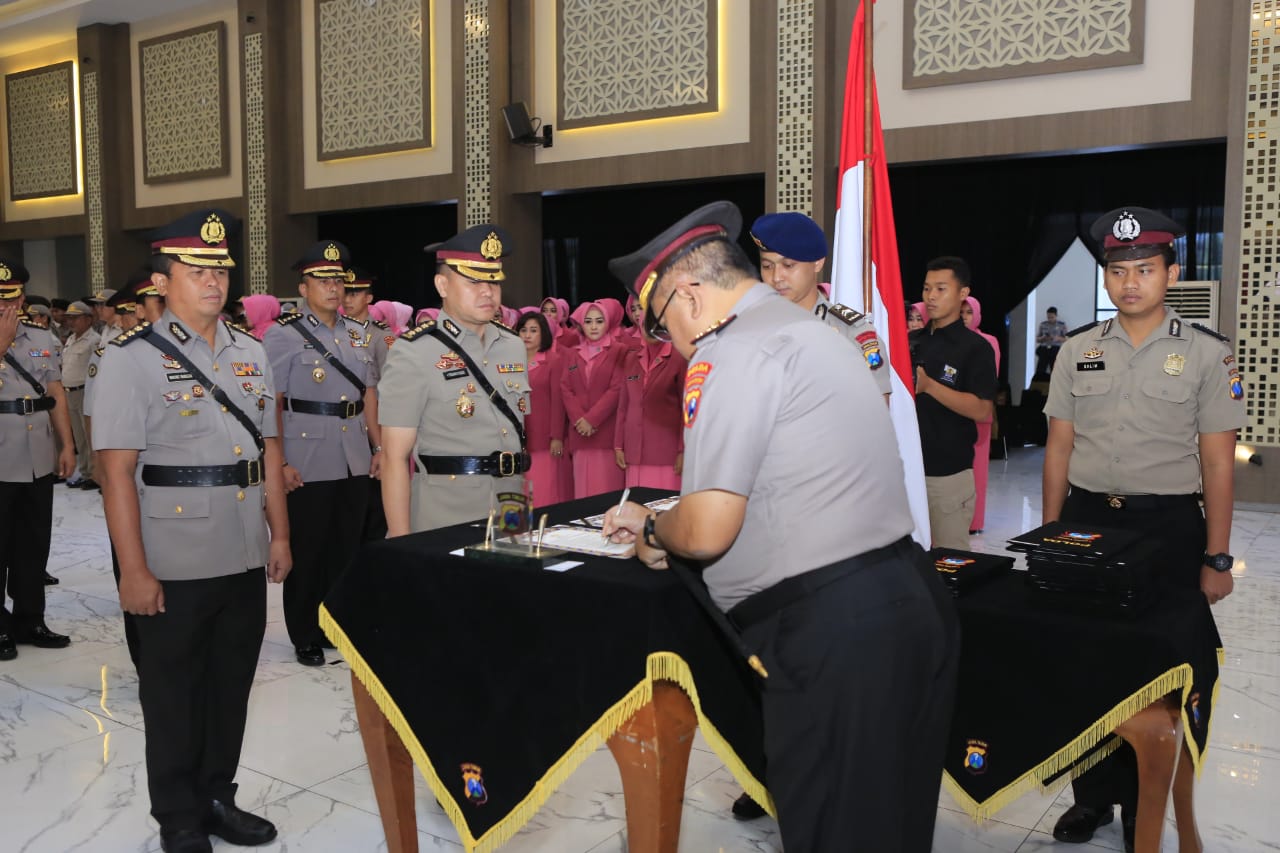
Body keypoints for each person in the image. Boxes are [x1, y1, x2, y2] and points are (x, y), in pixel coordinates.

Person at [601, 201, 957, 853]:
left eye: (662, 325)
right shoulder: (813, 331)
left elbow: (708, 527)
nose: (672, 344)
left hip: (835, 636)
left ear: (688, 292)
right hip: (907, 601)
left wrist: (654, 533)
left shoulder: (729, 351)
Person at [1044, 207, 1244, 851]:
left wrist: (1216, 557)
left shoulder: (1208, 354)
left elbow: (1218, 461)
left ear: (1171, 273)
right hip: (1090, 522)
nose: (1130, 282)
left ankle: (1144, 805)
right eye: (1118, 271)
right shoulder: (1079, 348)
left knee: (1158, 668)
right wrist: (1051, 537)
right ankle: (1094, 800)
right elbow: (1057, 450)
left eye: (1145, 270)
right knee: (1084, 659)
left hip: (1167, 529)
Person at [94, 209, 289, 853]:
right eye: (197, 268)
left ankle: (216, 797)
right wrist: (134, 571)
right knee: (173, 694)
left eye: (220, 267)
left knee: (230, 685)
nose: (213, 279)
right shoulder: (131, 359)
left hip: (240, 548)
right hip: (172, 555)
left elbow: (266, 450)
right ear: (162, 278)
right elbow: (116, 473)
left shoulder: (251, 352)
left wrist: (279, 535)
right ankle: (178, 816)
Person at [263, 241, 380, 667]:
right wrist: (279, 463)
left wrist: (379, 446)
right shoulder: (283, 335)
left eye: (338, 280)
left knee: (345, 549)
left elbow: (368, 395)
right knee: (309, 548)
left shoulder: (357, 334)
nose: (332, 288)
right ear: (303, 286)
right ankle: (304, 632)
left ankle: (334, 627)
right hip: (306, 455)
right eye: (322, 280)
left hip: (353, 452)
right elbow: (271, 403)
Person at [378, 224, 530, 534]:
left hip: (511, 503)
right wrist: (400, 540)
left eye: (493, 281)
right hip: (445, 512)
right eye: (473, 281)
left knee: (512, 580)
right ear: (442, 286)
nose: (487, 291)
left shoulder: (513, 346)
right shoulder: (413, 352)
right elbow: (394, 457)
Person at [0, 258, 76, 662]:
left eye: (8, 301)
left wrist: (67, 445)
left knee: (33, 543)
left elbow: (55, 393)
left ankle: (31, 619)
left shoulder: (41, 337)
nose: (2, 309)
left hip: (36, 456)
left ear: (22, 299)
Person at [750, 212, 892, 399]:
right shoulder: (750, 328)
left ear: (817, 263)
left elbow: (874, 418)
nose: (776, 277)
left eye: (789, 265)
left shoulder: (852, 335)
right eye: (767, 266)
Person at [909, 256, 998, 550]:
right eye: (926, 288)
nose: (931, 296)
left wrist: (930, 386)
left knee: (951, 565)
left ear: (962, 294)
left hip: (947, 474)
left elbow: (983, 410)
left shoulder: (975, 348)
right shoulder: (910, 341)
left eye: (941, 289)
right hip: (906, 470)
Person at [562, 300, 627, 497]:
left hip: (606, 432)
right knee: (582, 494)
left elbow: (618, 388)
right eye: (588, 321)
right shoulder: (573, 353)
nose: (593, 326)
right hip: (580, 433)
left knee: (607, 495)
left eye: (599, 321)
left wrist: (591, 419)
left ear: (607, 323)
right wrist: (579, 420)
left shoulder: (619, 350)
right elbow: (565, 387)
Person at [613, 321, 686, 491]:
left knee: (662, 509)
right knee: (634, 509)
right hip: (634, 451)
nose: (651, 330)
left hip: (666, 453)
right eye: (646, 325)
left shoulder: (679, 358)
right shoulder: (632, 358)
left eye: (656, 325)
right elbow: (623, 406)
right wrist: (618, 445)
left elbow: (687, 410)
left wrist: (683, 450)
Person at [517, 310, 570, 506]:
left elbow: (558, 401)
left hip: (543, 438)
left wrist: (556, 436)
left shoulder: (553, 361)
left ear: (544, 334)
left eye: (533, 330)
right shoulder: (511, 362)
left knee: (543, 490)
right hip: (518, 437)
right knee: (519, 492)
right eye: (523, 330)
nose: (527, 335)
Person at [962, 296, 1001, 534]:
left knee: (977, 470)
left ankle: (974, 521)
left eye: (969, 312)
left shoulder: (988, 341)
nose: (964, 316)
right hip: (953, 411)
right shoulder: (952, 339)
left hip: (978, 411)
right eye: (961, 311)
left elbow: (989, 376)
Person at [61, 301, 97, 489]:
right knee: (78, 436)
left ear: (88, 319)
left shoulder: (94, 340)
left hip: (85, 391)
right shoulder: (70, 339)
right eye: (69, 318)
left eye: (75, 318)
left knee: (88, 434)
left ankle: (93, 473)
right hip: (69, 392)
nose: (71, 321)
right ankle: (84, 472)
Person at [1035, 305, 1068, 376]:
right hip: (1044, 349)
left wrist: (1057, 338)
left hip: (1055, 349)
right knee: (1040, 370)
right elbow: (1037, 339)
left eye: (1052, 317)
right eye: (1048, 317)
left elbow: (1066, 339)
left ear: (1056, 316)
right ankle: (1039, 385)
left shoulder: (1061, 325)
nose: (1050, 319)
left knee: (1055, 371)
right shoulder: (1043, 324)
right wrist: (1043, 338)